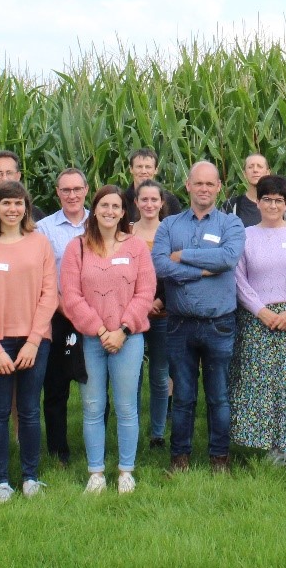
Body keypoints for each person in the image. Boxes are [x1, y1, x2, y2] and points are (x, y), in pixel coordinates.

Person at [0, 181, 58, 502]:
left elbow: (49, 295)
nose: (12, 209)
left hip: (35, 340)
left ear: (26, 208)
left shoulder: (40, 244)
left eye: (18, 203)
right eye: (6, 203)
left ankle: (31, 477)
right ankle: (1, 481)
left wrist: (34, 341)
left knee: (31, 410)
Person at [61, 185, 157, 494]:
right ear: (95, 209)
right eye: (104, 205)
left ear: (123, 212)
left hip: (128, 339)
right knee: (92, 405)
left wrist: (123, 330)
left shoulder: (136, 247)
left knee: (127, 406)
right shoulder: (77, 248)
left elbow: (145, 292)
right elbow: (71, 295)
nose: (110, 211)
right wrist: (101, 331)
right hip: (91, 340)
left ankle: (126, 470)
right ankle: (96, 472)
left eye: (116, 206)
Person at [153, 161, 246, 474]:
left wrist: (185, 257)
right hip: (179, 324)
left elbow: (229, 258)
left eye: (210, 184)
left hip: (219, 323)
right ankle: (180, 459)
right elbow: (161, 266)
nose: (204, 189)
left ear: (219, 187)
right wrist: (204, 270)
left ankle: (219, 458)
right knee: (183, 397)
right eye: (198, 183)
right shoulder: (169, 225)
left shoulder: (230, 225)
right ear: (187, 186)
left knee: (219, 397)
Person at [229, 175, 286, 468]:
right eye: (266, 199)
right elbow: (238, 279)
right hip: (258, 322)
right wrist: (261, 311)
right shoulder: (245, 235)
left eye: (278, 200)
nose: (272, 205)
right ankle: (273, 448)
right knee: (265, 386)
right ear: (257, 201)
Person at [35, 168, 91, 467]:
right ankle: (59, 453)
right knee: (55, 388)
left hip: (95, 318)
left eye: (77, 189)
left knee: (94, 386)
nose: (71, 195)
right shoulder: (43, 229)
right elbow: (43, 277)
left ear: (86, 190)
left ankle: (96, 446)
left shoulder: (100, 222)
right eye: (65, 190)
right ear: (57, 192)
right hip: (57, 315)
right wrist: (66, 309)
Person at [130, 179, 174, 448]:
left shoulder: (169, 232)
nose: (149, 204)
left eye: (154, 200)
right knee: (132, 375)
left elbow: (173, 272)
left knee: (159, 374)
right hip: (132, 315)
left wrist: (159, 300)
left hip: (162, 313)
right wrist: (141, 303)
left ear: (161, 203)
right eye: (143, 200)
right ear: (136, 203)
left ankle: (157, 433)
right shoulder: (125, 232)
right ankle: (130, 429)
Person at [122, 147, 182, 223]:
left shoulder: (170, 201)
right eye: (139, 167)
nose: (143, 171)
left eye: (148, 167)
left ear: (156, 170)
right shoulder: (122, 200)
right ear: (131, 169)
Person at [222, 152, 269, 227]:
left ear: (268, 173)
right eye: (250, 167)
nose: (255, 170)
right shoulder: (231, 205)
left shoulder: (279, 206)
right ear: (244, 174)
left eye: (259, 166)